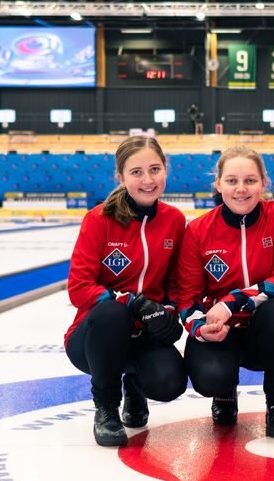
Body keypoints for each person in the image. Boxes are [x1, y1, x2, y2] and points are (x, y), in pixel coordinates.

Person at [173, 146, 274, 438]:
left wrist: (232, 302)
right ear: (218, 184)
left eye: (250, 180)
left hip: (264, 332)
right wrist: (199, 329)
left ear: (264, 183)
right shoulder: (197, 231)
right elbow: (187, 298)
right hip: (221, 333)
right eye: (232, 181)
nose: (241, 189)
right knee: (210, 378)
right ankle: (224, 393)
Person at [65, 136, 187, 447]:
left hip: (143, 335)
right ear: (120, 177)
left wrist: (168, 312)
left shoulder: (174, 220)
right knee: (112, 313)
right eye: (136, 172)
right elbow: (79, 288)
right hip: (95, 337)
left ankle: (135, 386)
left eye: (155, 169)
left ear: (166, 171)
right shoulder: (99, 220)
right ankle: (106, 407)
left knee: (170, 382)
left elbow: (175, 283)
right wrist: (133, 302)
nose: (148, 180)